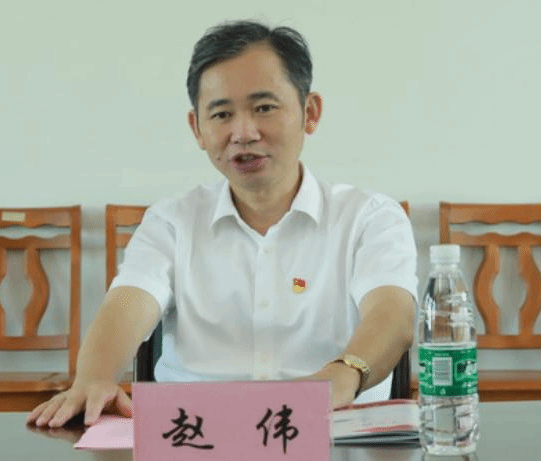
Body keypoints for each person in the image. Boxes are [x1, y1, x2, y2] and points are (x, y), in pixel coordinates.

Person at [28, 19, 417, 428]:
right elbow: (126, 305)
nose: (243, 133)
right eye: (221, 114)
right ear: (197, 128)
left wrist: (345, 372)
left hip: (337, 434)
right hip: (195, 436)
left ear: (310, 112)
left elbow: (393, 314)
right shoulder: (171, 222)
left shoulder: (370, 217)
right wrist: (93, 378)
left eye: (264, 108)